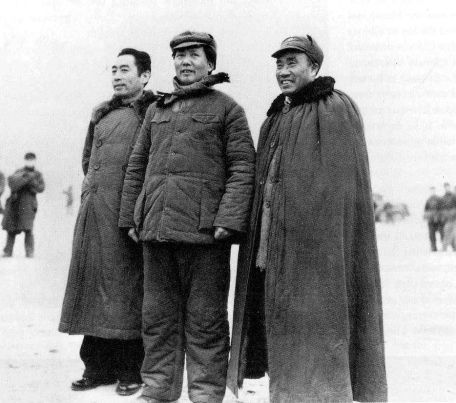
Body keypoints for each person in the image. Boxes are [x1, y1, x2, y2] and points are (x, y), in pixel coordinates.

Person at [228, 35, 387, 402]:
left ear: (313, 67)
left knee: (319, 324)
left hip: (317, 249)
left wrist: (317, 236)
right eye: (279, 65)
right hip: (272, 243)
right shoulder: (274, 117)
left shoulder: (335, 107)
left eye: (292, 63)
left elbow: (340, 187)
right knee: (280, 320)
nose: (283, 71)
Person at [118, 31, 255, 403]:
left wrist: (229, 219)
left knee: (206, 320)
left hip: (205, 234)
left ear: (210, 62)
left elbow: (243, 167)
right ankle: (158, 389)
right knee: (157, 318)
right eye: (179, 55)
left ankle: (206, 393)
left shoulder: (227, 109)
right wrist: (132, 217)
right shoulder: (157, 110)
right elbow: (137, 165)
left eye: (194, 54)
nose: (185, 61)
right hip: (157, 232)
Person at [58, 48, 157, 396]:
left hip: (127, 216)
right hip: (95, 212)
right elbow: (88, 159)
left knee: (126, 290)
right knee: (92, 288)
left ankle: (131, 369)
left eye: (125, 70)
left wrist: (134, 206)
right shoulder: (101, 114)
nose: (116, 76)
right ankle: (96, 367)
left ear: (145, 75)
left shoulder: (153, 112)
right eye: (113, 69)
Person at [2, 153, 45, 258]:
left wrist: (32, 182)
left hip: (29, 204)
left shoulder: (37, 174)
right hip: (16, 203)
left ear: (34, 161)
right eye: (28, 160)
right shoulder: (19, 172)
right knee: (11, 228)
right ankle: (8, 251)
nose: (30, 162)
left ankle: (29, 252)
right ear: (25, 160)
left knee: (28, 228)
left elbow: (41, 188)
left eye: (31, 160)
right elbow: (12, 184)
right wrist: (25, 179)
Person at [439, 182, 456, 251]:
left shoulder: (454, 196)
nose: (447, 188)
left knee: (451, 232)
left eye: (448, 187)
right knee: (449, 232)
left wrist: (455, 212)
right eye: (446, 187)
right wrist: (444, 214)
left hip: (454, 218)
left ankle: (445, 247)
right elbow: (441, 208)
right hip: (447, 218)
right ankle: (454, 247)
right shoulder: (443, 198)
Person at [424, 186, 442, 251]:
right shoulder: (428, 200)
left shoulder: (439, 199)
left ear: (435, 191)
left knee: (442, 233)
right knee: (431, 234)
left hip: (438, 219)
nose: (432, 192)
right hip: (431, 220)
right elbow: (426, 209)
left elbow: (442, 208)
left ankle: (443, 245)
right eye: (431, 191)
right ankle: (433, 247)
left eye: (433, 190)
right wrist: (427, 216)